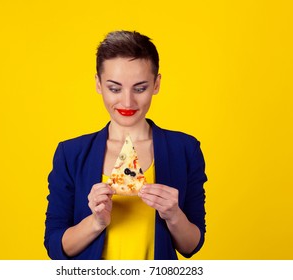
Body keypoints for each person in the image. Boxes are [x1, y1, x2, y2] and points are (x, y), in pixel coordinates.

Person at [44, 30, 207, 260]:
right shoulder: (70, 154)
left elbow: (191, 246)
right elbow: (54, 245)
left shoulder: (185, 150)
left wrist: (173, 214)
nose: (127, 102)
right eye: (114, 88)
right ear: (98, 84)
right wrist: (96, 222)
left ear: (157, 84)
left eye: (140, 88)